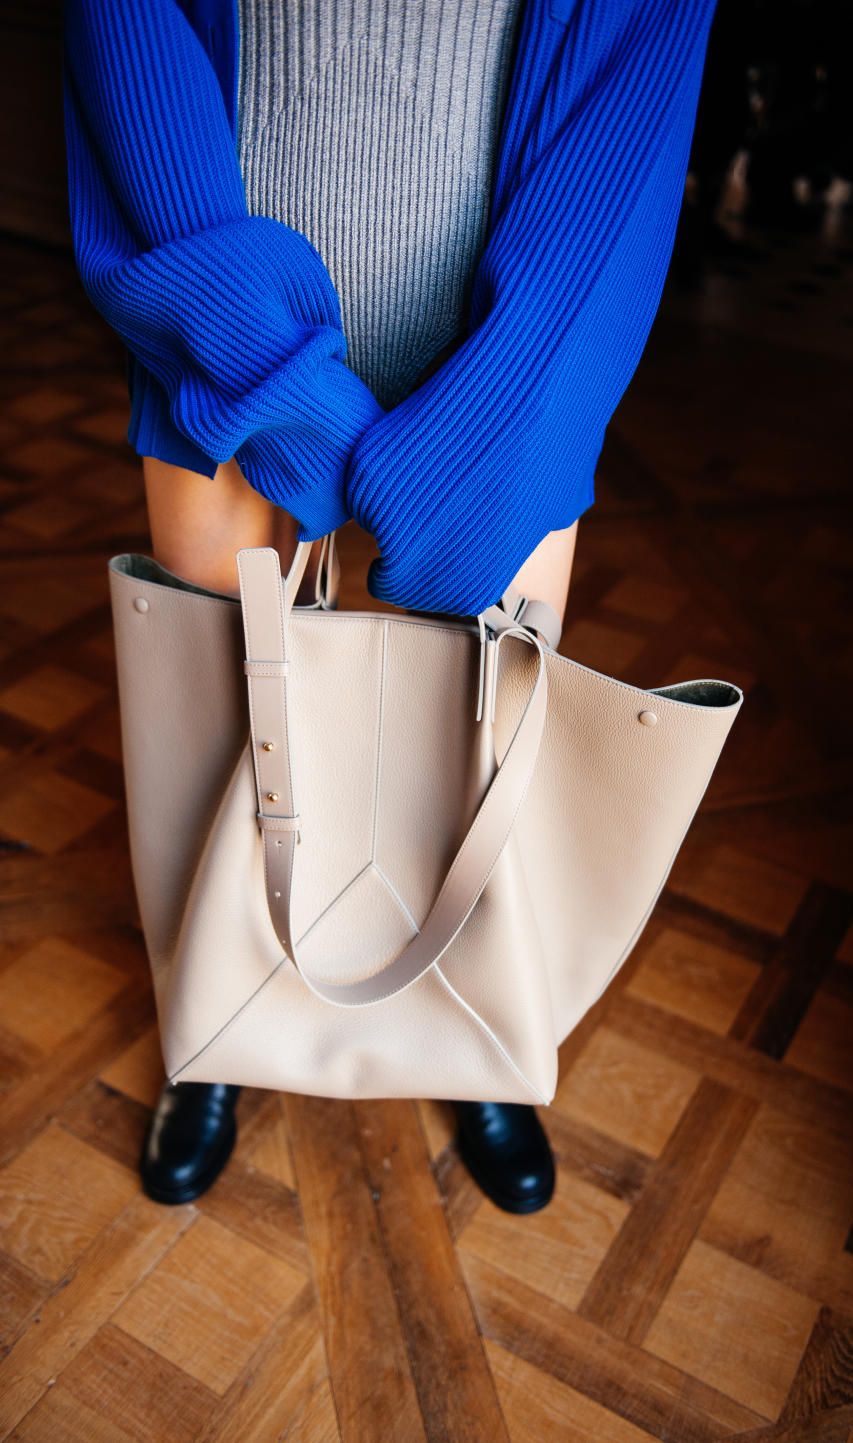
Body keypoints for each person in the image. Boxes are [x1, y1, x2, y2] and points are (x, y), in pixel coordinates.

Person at [62, 0, 716, 1213]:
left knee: (480, 739)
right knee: (210, 733)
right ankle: (207, 1011)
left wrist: (496, 428)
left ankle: (470, 1007)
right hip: (221, 325)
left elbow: (637, 88)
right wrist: (270, 379)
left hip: (511, 362)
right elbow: (129, 37)